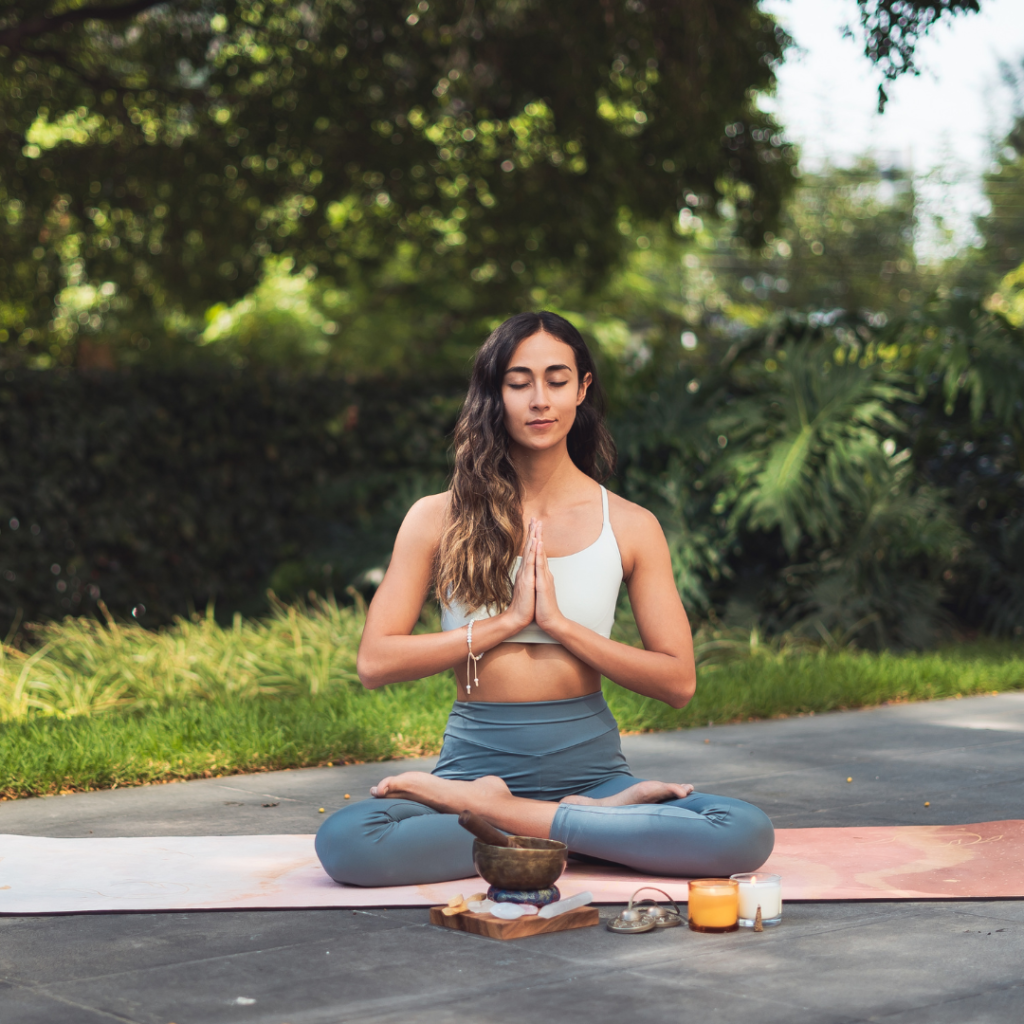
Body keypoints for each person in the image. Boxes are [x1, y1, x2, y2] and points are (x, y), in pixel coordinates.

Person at [315, 311, 774, 886]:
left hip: (592, 773)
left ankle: (507, 818)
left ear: (582, 389)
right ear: (495, 393)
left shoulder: (629, 525)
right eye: (518, 382)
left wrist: (560, 624)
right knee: (348, 843)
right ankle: (595, 831)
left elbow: (678, 683)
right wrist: (505, 623)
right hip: (473, 765)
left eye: (557, 380)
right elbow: (375, 663)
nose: (539, 399)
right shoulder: (437, 517)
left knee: (744, 831)